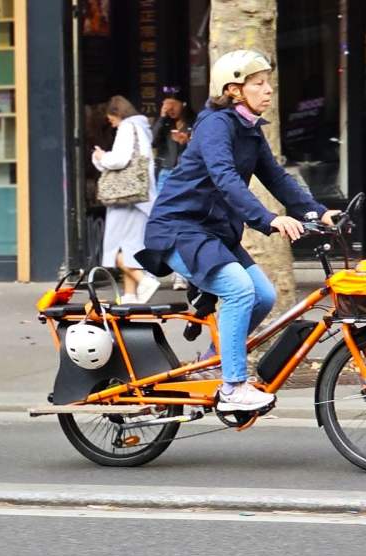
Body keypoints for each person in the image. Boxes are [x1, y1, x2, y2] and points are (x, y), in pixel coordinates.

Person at [138, 50, 339, 413]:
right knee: (239, 291)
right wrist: (268, 219)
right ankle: (232, 387)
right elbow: (225, 179)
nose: (268, 90)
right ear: (233, 90)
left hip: (214, 233)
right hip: (180, 228)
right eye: (258, 83)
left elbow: (277, 177)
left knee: (262, 296)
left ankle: (213, 362)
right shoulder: (216, 125)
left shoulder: (249, 129)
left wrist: (320, 213)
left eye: (268, 82)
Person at [92, 96, 160, 304]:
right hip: (141, 197)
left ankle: (144, 281)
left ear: (117, 113)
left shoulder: (126, 127)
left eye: (110, 118)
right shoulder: (141, 128)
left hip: (125, 198)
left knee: (114, 248)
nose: (110, 122)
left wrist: (101, 157)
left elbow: (120, 159)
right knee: (131, 246)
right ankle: (130, 294)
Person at [152, 86, 195, 290]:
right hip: (167, 174)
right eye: (167, 105)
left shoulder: (194, 123)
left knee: (185, 222)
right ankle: (163, 267)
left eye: (173, 105)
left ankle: (182, 273)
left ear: (183, 104)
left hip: (187, 175)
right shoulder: (165, 123)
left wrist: (188, 142)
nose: (171, 109)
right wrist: (161, 117)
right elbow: (152, 140)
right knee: (165, 222)